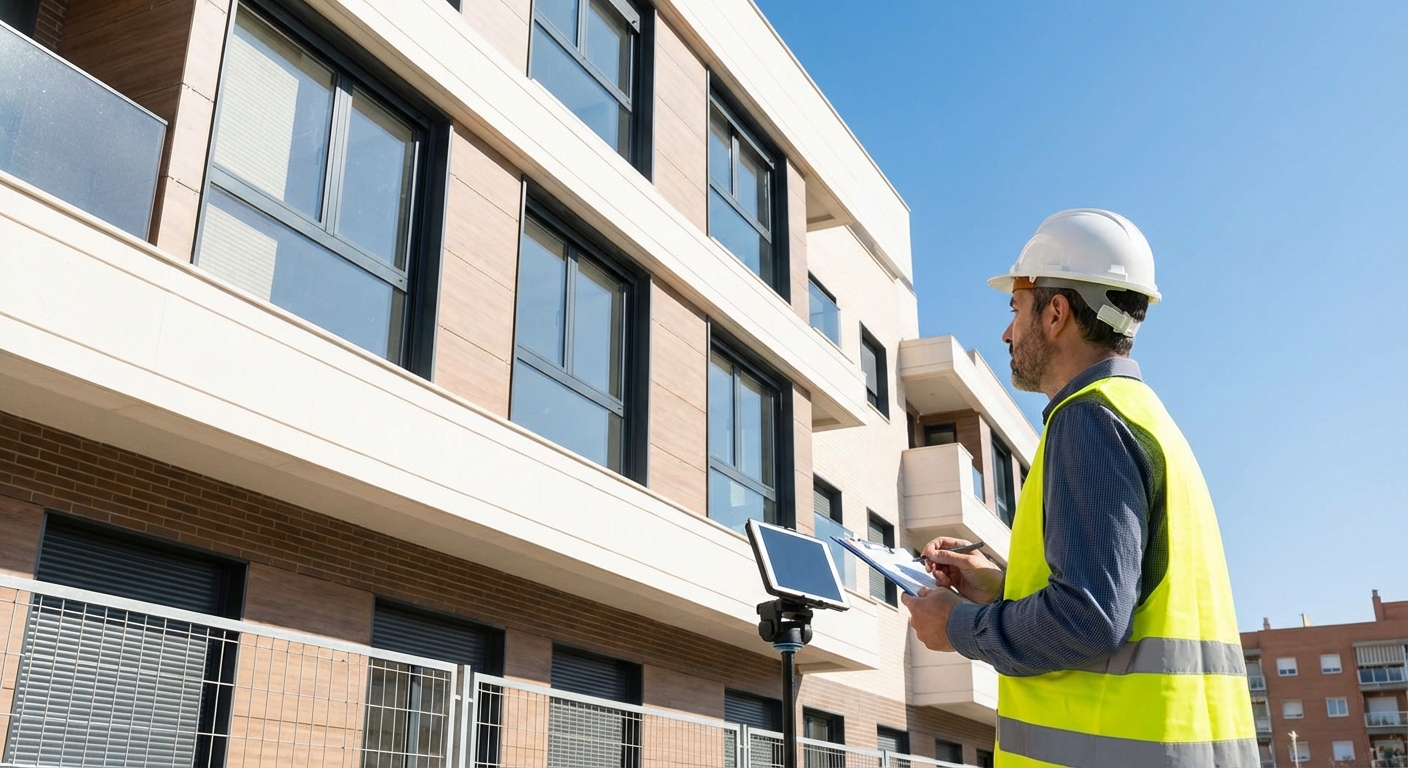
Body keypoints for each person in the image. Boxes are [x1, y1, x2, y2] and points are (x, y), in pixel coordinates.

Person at [901, 209, 1256, 767]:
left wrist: (958, 626)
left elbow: (1087, 620)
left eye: (1016, 309)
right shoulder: (1147, 420)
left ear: (1056, 313)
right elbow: (1117, 604)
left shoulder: (1087, 419)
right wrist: (997, 589)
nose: (1006, 331)